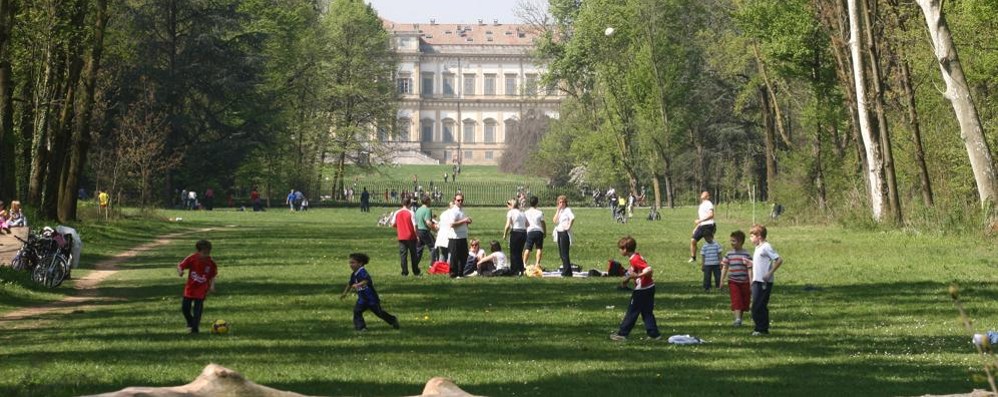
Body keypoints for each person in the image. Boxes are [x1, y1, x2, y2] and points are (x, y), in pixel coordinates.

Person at [610, 236, 661, 341]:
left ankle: (622, 334)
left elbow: (649, 270)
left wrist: (638, 276)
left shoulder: (635, 259)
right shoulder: (635, 256)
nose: (619, 251)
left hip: (642, 290)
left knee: (632, 311)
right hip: (650, 287)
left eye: (620, 249)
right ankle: (654, 334)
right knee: (647, 312)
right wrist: (627, 279)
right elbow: (634, 270)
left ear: (625, 249)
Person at [339, 253, 399, 331]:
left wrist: (357, 285)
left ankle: (393, 320)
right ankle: (361, 327)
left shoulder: (362, 272)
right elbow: (350, 284)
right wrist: (344, 293)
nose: (351, 265)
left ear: (360, 263)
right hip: (362, 299)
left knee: (379, 313)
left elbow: (366, 281)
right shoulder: (354, 274)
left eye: (353, 262)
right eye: (350, 263)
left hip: (371, 298)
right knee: (357, 311)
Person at [176, 240, 218, 334]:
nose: (207, 254)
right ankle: (190, 323)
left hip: (201, 289)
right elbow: (180, 266)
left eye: (208, 252)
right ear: (198, 251)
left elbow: (212, 276)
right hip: (190, 289)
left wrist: (212, 286)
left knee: (197, 310)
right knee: (185, 308)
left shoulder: (211, 263)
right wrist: (180, 272)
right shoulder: (192, 258)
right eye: (204, 252)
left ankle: (195, 329)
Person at [749, 224, 783, 336]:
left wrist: (769, 273)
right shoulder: (758, 247)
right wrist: (751, 263)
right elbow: (760, 263)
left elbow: (778, 260)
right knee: (757, 305)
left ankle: (761, 328)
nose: (750, 238)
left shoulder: (766, 246)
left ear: (759, 236)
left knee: (758, 306)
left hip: (763, 282)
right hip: (756, 280)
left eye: (752, 236)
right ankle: (761, 328)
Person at [721, 230, 752, 327]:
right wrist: (722, 280)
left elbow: (750, 268)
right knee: (736, 299)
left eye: (734, 241)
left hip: (745, 282)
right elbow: (725, 267)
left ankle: (739, 319)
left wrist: (751, 281)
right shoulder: (729, 254)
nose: (731, 243)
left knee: (744, 301)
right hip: (733, 282)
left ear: (740, 242)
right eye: (731, 241)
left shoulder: (746, 254)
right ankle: (737, 319)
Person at [391, 197, 421, 276]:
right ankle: (416, 271)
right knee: (413, 255)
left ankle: (404, 272)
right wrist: (417, 235)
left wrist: (400, 227)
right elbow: (415, 226)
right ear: (409, 204)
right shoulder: (411, 213)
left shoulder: (397, 212)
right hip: (411, 236)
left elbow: (393, 224)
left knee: (403, 255)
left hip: (401, 236)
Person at [448, 193, 472, 278]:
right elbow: (452, 224)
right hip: (455, 237)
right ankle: (453, 274)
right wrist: (464, 220)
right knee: (455, 257)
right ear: (454, 201)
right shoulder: (453, 211)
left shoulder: (462, 210)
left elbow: (463, 221)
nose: (460, 202)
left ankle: (460, 273)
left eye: (462, 200)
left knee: (464, 256)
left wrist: (467, 221)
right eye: (458, 200)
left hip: (463, 236)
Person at [689, 191, 716, 263]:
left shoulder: (709, 203)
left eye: (705, 193)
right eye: (702, 193)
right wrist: (696, 227)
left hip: (708, 225)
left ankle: (716, 257)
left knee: (710, 242)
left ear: (708, 196)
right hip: (701, 226)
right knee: (693, 240)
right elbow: (701, 218)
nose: (702, 194)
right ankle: (693, 258)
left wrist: (700, 221)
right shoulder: (701, 205)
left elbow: (711, 215)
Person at [503, 198, 527, 275]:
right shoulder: (522, 212)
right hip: (523, 233)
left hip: (515, 232)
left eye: (508, 205)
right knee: (519, 252)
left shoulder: (511, 212)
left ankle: (514, 270)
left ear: (511, 205)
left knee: (513, 252)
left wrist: (505, 234)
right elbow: (528, 224)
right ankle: (521, 269)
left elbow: (507, 225)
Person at [553, 195, 575, 277]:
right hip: (559, 232)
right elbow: (555, 221)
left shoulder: (567, 210)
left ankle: (567, 271)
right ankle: (567, 270)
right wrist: (557, 210)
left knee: (565, 253)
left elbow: (572, 218)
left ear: (566, 203)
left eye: (563, 202)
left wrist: (569, 226)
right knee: (561, 253)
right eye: (560, 202)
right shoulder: (560, 211)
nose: (561, 204)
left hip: (564, 232)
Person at [522, 196, 545, 270]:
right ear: (537, 203)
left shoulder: (526, 212)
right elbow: (542, 223)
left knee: (527, 248)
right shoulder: (540, 212)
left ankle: (524, 263)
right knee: (539, 248)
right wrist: (544, 231)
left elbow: (525, 223)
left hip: (530, 231)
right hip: (538, 231)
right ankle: (537, 263)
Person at [414, 196, 437, 264]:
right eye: (429, 200)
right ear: (427, 201)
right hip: (425, 231)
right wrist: (434, 228)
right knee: (433, 247)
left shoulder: (418, 210)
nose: (430, 202)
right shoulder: (428, 209)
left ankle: (415, 265)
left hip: (418, 231)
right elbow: (428, 222)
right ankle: (432, 265)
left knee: (419, 249)